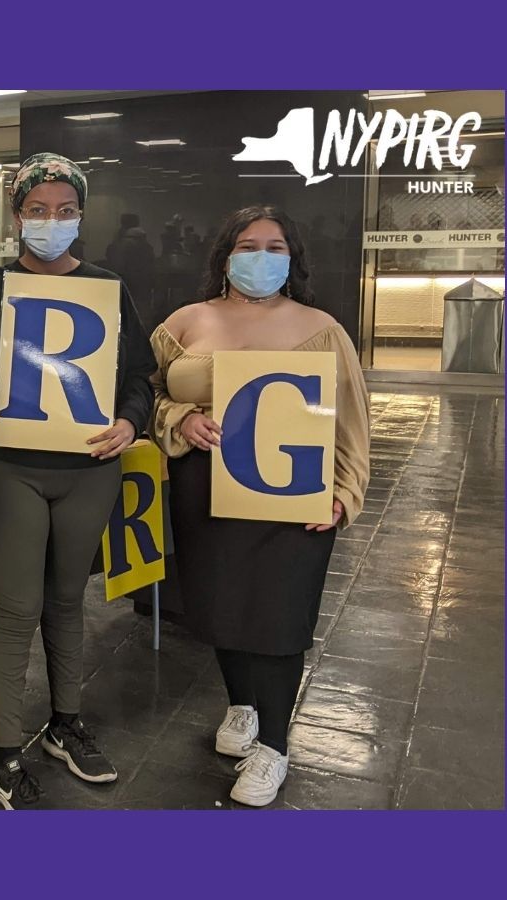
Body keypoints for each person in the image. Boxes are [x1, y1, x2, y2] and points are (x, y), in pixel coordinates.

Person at [149, 205, 370, 807]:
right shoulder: (183, 323)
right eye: (249, 245)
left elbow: (351, 423)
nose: (262, 257)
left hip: (289, 499)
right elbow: (150, 394)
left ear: (293, 258)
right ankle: (241, 707)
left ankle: (274, 745)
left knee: (277, 620)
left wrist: (345, 495)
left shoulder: (321, 327)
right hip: (205, 495)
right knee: (222, 608)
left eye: (276, 247)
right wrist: (182, 418)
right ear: (225, 254)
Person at [0, 153, 156, 809]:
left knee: (67, 600)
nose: (52, 221)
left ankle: (65, 724)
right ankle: (2, 752)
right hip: (10, 467)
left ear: (82, 214)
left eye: (66, 210)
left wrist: (131, 425)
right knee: (16, 608)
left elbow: (140, 376)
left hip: (89, 469)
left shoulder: (108, 286)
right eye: (38, 210)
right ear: (18, 216)